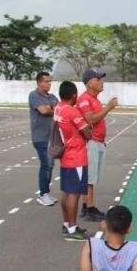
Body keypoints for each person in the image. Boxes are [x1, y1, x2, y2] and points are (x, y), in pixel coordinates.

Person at [77, 69, 118, 222]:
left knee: (92, 178)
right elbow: (91, 119)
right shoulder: (85, 99)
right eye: (98, 79)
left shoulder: (94, 99)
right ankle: (90, 208)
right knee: (89, 178)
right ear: (89, 83)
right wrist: (109, 107)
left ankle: (86, 206)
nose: (102, 82)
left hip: (97, 142)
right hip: (91, 142)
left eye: (102, 79)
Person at [55, 81, 92, 241]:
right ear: (74, 95)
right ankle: (71, 229)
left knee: (66, 191)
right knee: (74, 194)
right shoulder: (72, 111)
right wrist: (88, 129)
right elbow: (87, 132)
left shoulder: (58, 108)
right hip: (76, 156)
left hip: (66, 156)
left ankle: (67, 224)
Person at [28, 71, 59, 206]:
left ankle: (46, 192)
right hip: (40, 137)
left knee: (50, 165)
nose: (49, 84)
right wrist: (51, 108)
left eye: (50, 81)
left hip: (52, 137)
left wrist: (50, 108)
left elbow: (59, 109)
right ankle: (42, 194)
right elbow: (43, 111)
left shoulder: (52, 96)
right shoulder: (34, 95)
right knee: (46, 165)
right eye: (46, 81)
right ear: (39, 82)